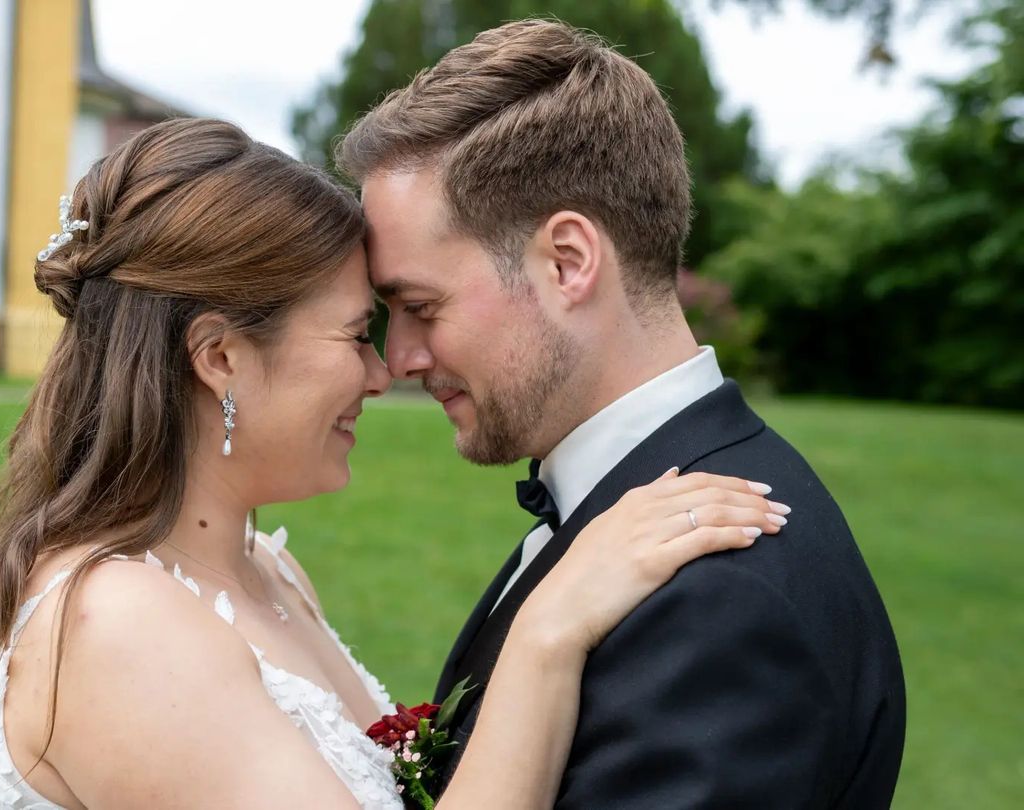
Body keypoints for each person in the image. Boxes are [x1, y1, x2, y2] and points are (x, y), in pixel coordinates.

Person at [0, 117, 787, 809]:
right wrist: (548, 634)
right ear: (219, 357)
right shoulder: (119, 626)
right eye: (354, 332)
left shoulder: (265, 570)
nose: (384, 369)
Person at [336, 18, 907, 808]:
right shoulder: (632, 508)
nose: (399, 358)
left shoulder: (722, 602)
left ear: (567, 261)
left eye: (420, 306)